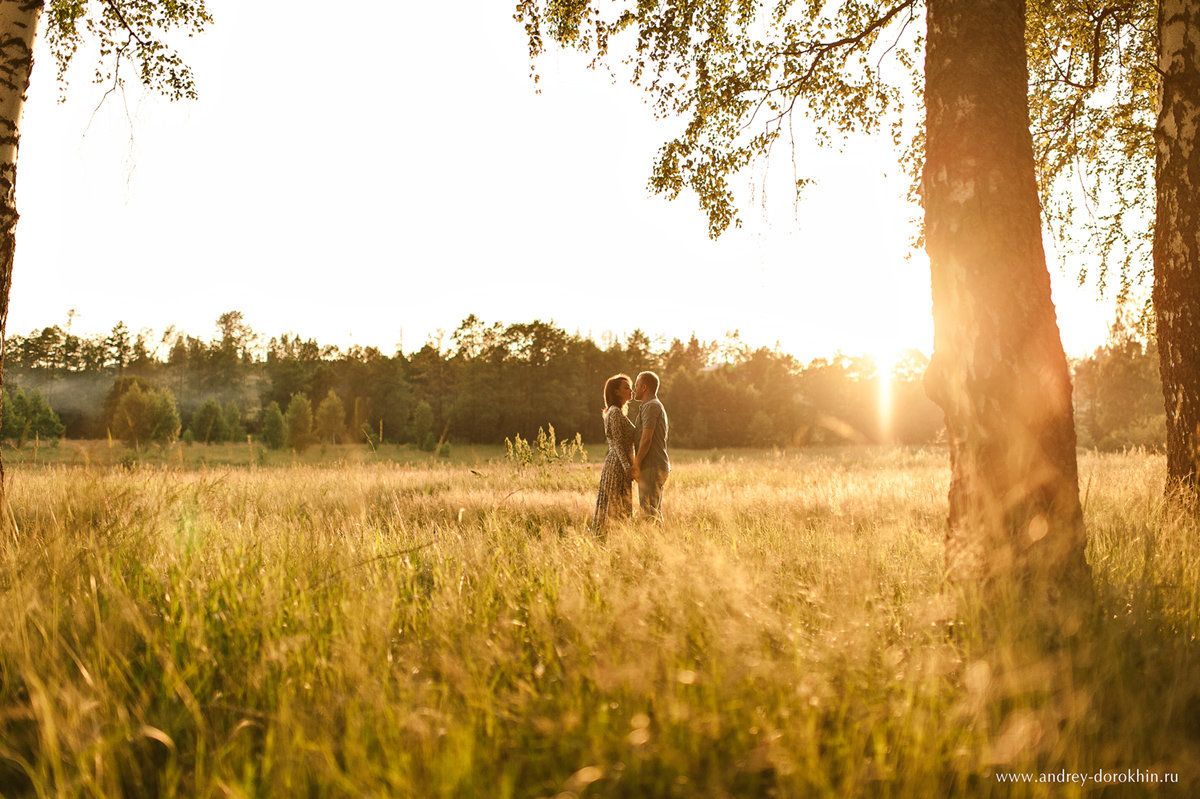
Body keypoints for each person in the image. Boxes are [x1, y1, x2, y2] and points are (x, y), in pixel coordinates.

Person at [591, 373, 639, 530]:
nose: (630, 390)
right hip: (617, 465)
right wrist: (628, 468)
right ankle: (612, 539)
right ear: (616, 391)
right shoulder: (615, 412)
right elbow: (618, 443)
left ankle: (613, 539)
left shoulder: (615, 411)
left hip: (617, 462)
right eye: (626, 388)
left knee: (618, 506)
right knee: (617, 506)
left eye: (630, 388)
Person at [632, 370, 670, 521]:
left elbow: (646, 439)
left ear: (644, 387)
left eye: (636, 385)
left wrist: (636, 464)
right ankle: (655, 543)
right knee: (651, 510)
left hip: (652, 465)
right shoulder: (649, 406)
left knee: (649, 513)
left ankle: (657, 543)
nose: (634, 388)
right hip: (653, 465)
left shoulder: (651, 406)